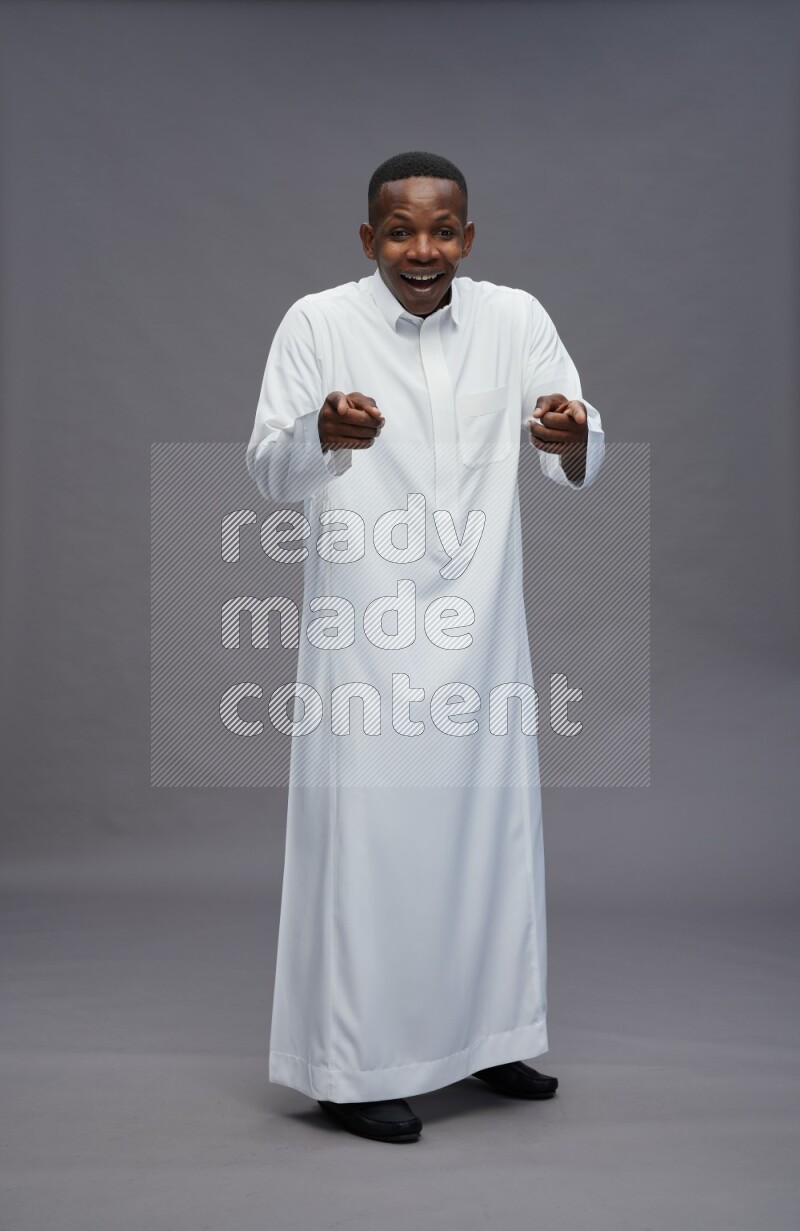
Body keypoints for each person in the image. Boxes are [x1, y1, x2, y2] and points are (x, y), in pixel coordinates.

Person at [245, 151, 605, 1144]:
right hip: (365, 636)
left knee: (487, 838)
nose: (421, 249)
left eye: (441, 230)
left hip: (480, 632)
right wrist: (321, 431)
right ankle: (350, 1067)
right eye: (399, 230)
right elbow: (269, 467)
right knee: (372, 847)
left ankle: (489, 1035)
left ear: (468, 238)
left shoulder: (513, 317)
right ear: (367, 240)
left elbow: (572, 437)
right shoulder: (318, 323)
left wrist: (567, 429)